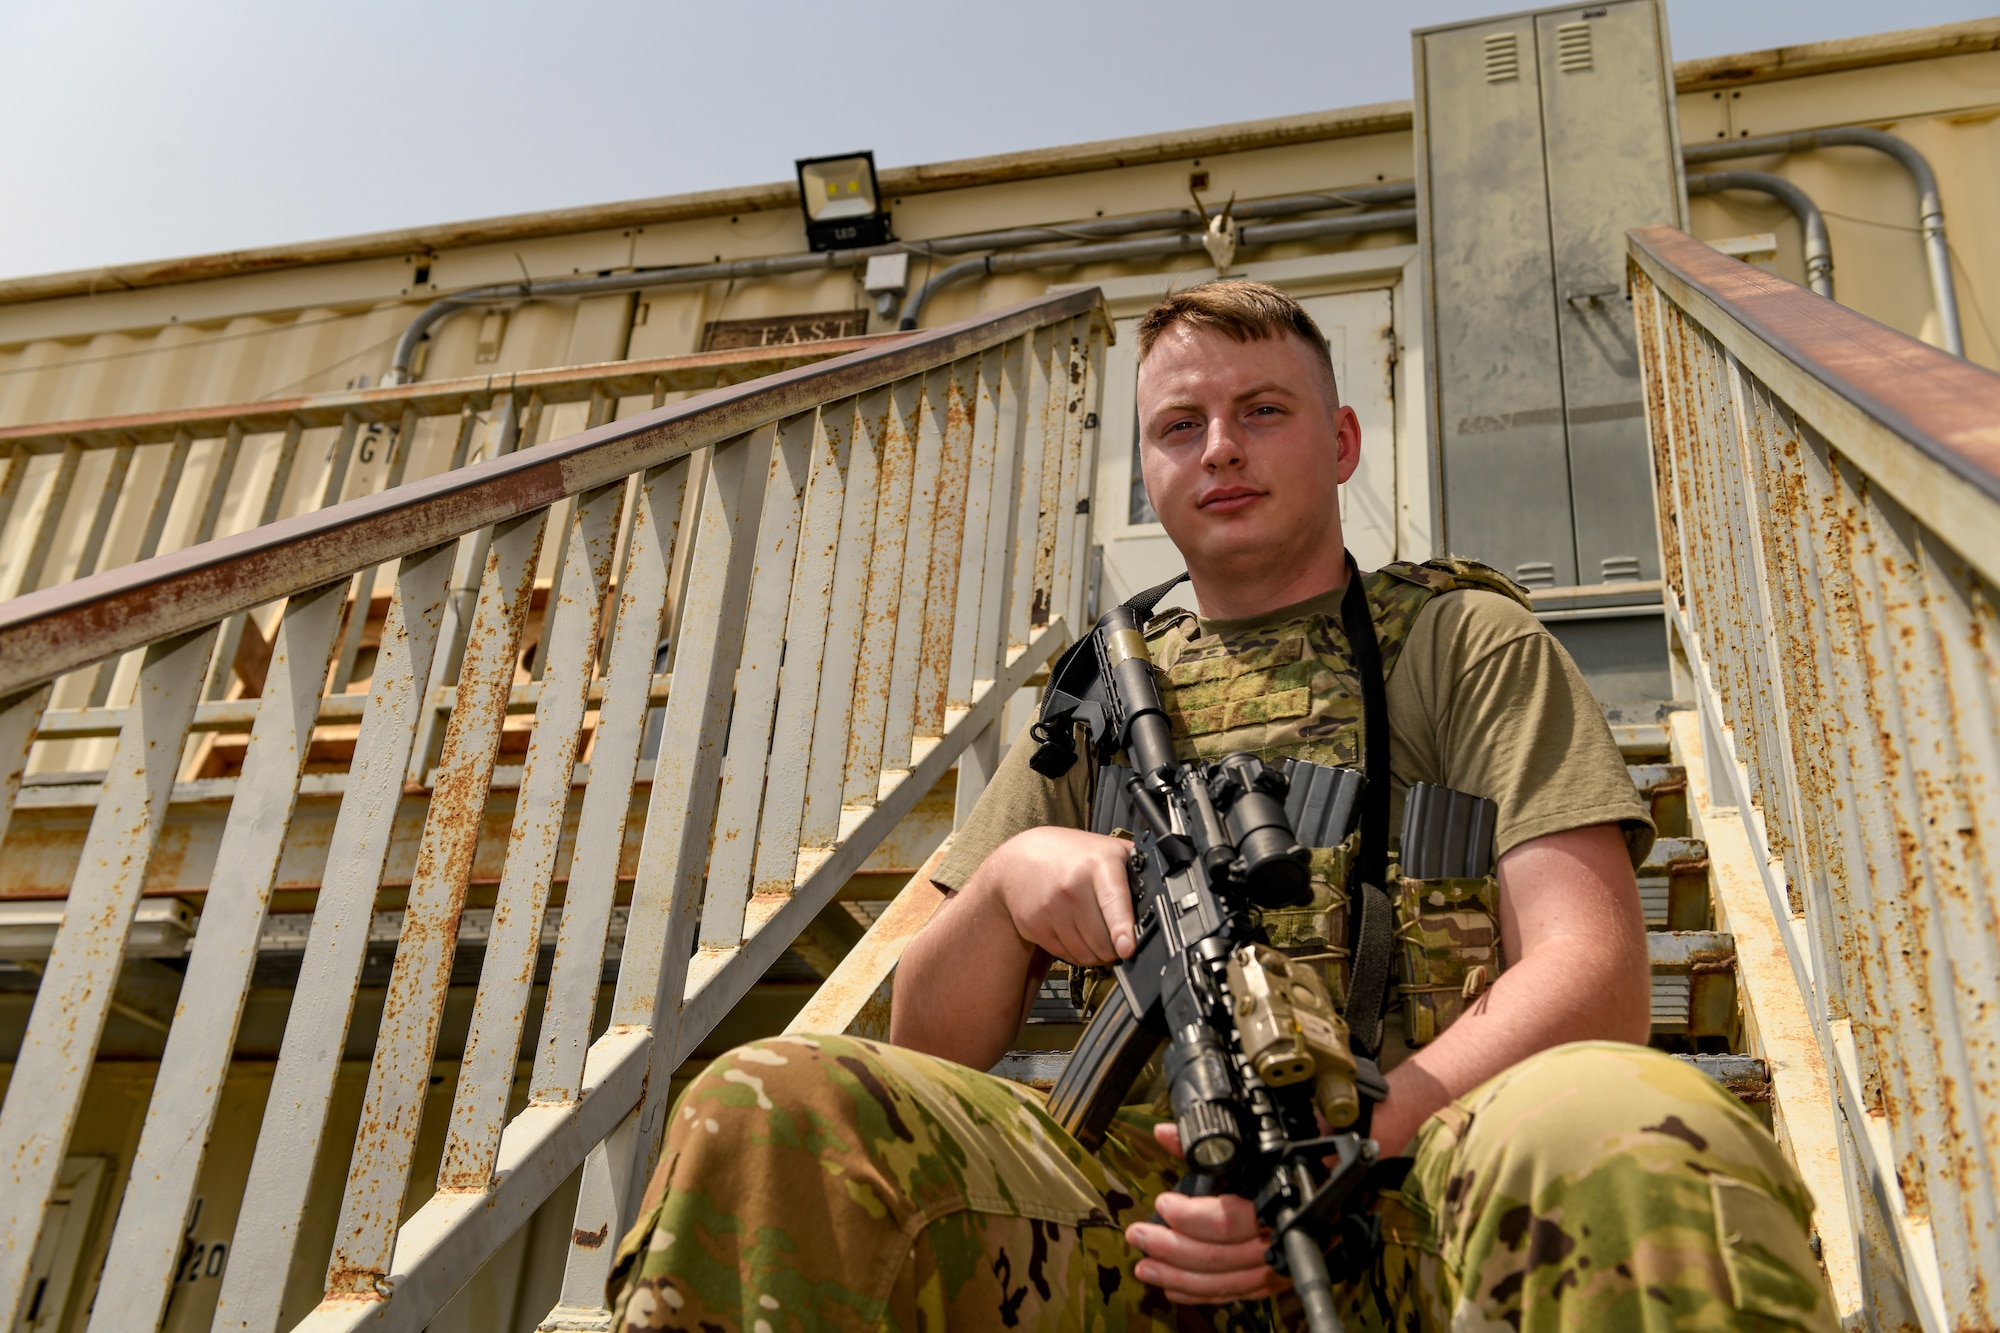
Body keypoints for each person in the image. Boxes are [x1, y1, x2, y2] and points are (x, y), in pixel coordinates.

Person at [608, 281, 1836, 1331]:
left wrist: (1346, 1151)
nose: (1219, 449)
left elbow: (1594, 979)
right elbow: (919, 1048)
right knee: (769, 1099)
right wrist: (1003, 883)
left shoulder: (1462, 645)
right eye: (1178, 425)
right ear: (1146, 472)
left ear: (1342, 441)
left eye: (1260, 411)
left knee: (1627, 1108)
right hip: (1121, 1226)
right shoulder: (1098, 695)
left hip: (1416, 1195)